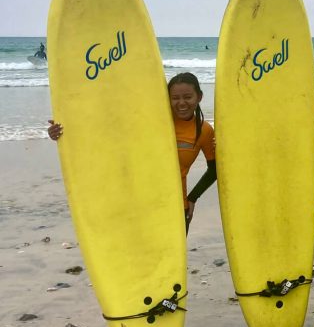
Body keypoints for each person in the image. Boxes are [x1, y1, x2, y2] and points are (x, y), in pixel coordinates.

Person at [47, 72, 217, 233]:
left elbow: (214, 169)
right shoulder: (150, 120)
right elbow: (104, 131)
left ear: (199, 97)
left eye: (187, 97)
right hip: (137, 202)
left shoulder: (204, 131)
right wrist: (62, 132)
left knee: (170, 263)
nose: (181, 103)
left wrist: (193, 197)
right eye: (175, 98)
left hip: (176, 207)